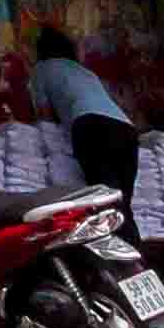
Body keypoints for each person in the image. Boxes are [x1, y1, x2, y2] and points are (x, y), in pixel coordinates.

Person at [25, 29, 137, 205]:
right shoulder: (85, 72)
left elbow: (45, 117)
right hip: (126, 128)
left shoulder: (42, 69)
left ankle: (113, 232)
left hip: (90, 124)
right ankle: (128, 233)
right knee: (122, 200)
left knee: (104, 197)